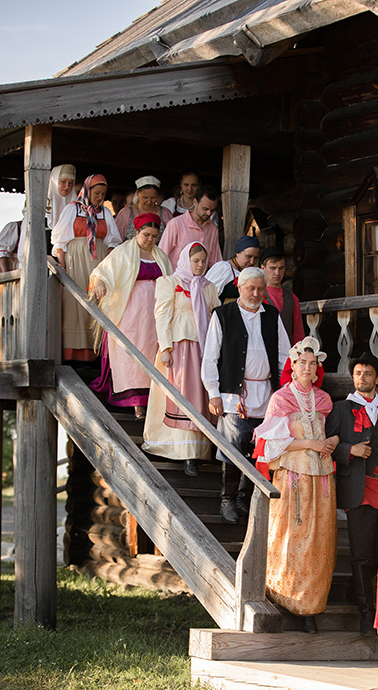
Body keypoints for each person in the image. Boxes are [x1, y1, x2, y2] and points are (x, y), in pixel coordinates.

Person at [253, 337, 338, 633]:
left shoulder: (324, 400)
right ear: (293, 366)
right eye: (302, 362)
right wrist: (311, 443)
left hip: (322, 477)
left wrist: (331, 442)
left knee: (318, 540)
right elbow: (271, 445)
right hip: (293, 476)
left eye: (312, 364)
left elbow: (334, 433)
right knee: (290, 535)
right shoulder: (281, 399)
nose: (307, 368)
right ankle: (282, 594)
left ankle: (310, 606)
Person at [201, 266, 291, 524]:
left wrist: (285, 390)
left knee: (258, 449)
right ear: (239, 288)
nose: (256, 294)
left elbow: (284, 354)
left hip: (267, 395)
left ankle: (245, 496)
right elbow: (210, 357)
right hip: (233, 397)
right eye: (250, 288)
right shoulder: (223, 314)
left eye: (260, 289)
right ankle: (227, 499)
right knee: (232, 448)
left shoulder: (271, 315)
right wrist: (213, 393)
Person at [325, 352, 378, 634]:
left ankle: (357, 591)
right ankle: (366, 613)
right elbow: (327, 445)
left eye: (367, 374)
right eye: (358, 373)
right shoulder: (341, 409)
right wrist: (350, 450)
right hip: (358, 489)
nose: (362, 378)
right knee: (361, 555)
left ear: (377, 379)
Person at [142, 241, 219, 472]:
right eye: (195, 261)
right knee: (182, 396)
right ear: (186, 260)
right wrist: (165, 348)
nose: (200, 265)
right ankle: (182, 451)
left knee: (199, 397)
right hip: (179, 346)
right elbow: (162, 316)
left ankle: (198, 450)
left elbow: (213, 317)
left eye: (203, 261)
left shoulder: (208, 287)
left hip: (202, 348)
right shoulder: (169, 282)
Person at [88, 213, 172, 418]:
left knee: (152, 352)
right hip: (130, 313)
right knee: (131, 354)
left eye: (154, 236)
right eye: (146, 235)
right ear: (137, 232)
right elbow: (101, 271)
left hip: (154, 314)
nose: (150, 240)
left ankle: (151, 399)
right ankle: (136, 403)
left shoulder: (161, 256)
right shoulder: (123, 252)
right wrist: (100, 282)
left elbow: (171, 280)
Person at [52, 174, 120, 362]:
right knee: (77, 303)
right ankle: (75, 354)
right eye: (97, 193)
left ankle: (96, 352)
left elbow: (112, 242)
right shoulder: (72, 209)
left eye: (103, 194)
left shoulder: (105, 213)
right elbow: (60, 241)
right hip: (76, 261)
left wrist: (110, 266)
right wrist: (62, 265)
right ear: (88, 191)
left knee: (98, 303)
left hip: (99, 262)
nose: (100, 197)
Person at [17, 163, 77, 262]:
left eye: (71, 183)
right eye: (63, 181)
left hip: (68, 257)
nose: (67, 186)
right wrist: (22, 260)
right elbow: (26, 234)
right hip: (41, 255)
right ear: (54, 181)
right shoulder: (39, 204)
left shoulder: (75, 207)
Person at [159, 185, 222, 270]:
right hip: (175, 277)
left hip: (201, 278)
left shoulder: (213, 229)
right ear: (195, 202)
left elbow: (215, 262)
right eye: (205, 209)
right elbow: (161, 256)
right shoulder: (175, 224)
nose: (208, 213)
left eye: (212, 210)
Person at [260, 246, 305, 344]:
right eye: (272, 268)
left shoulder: (292, 299)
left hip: (287, 351)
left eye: (281, 268)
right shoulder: (256, 296)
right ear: (263, 268)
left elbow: (298, 334)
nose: (277, 273)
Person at [206, 235, 260, 303]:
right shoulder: (224, 268)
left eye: (255, 258)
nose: (252, 261)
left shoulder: (252, 273)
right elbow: (208, 296)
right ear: (238, 253)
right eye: (248, 256)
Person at [115, 176, 165, 243]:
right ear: (137, 194)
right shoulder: (126, 213)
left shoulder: (165, 213)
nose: (149, 201)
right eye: (145, 197)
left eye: (153, 198)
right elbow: (116, 240)